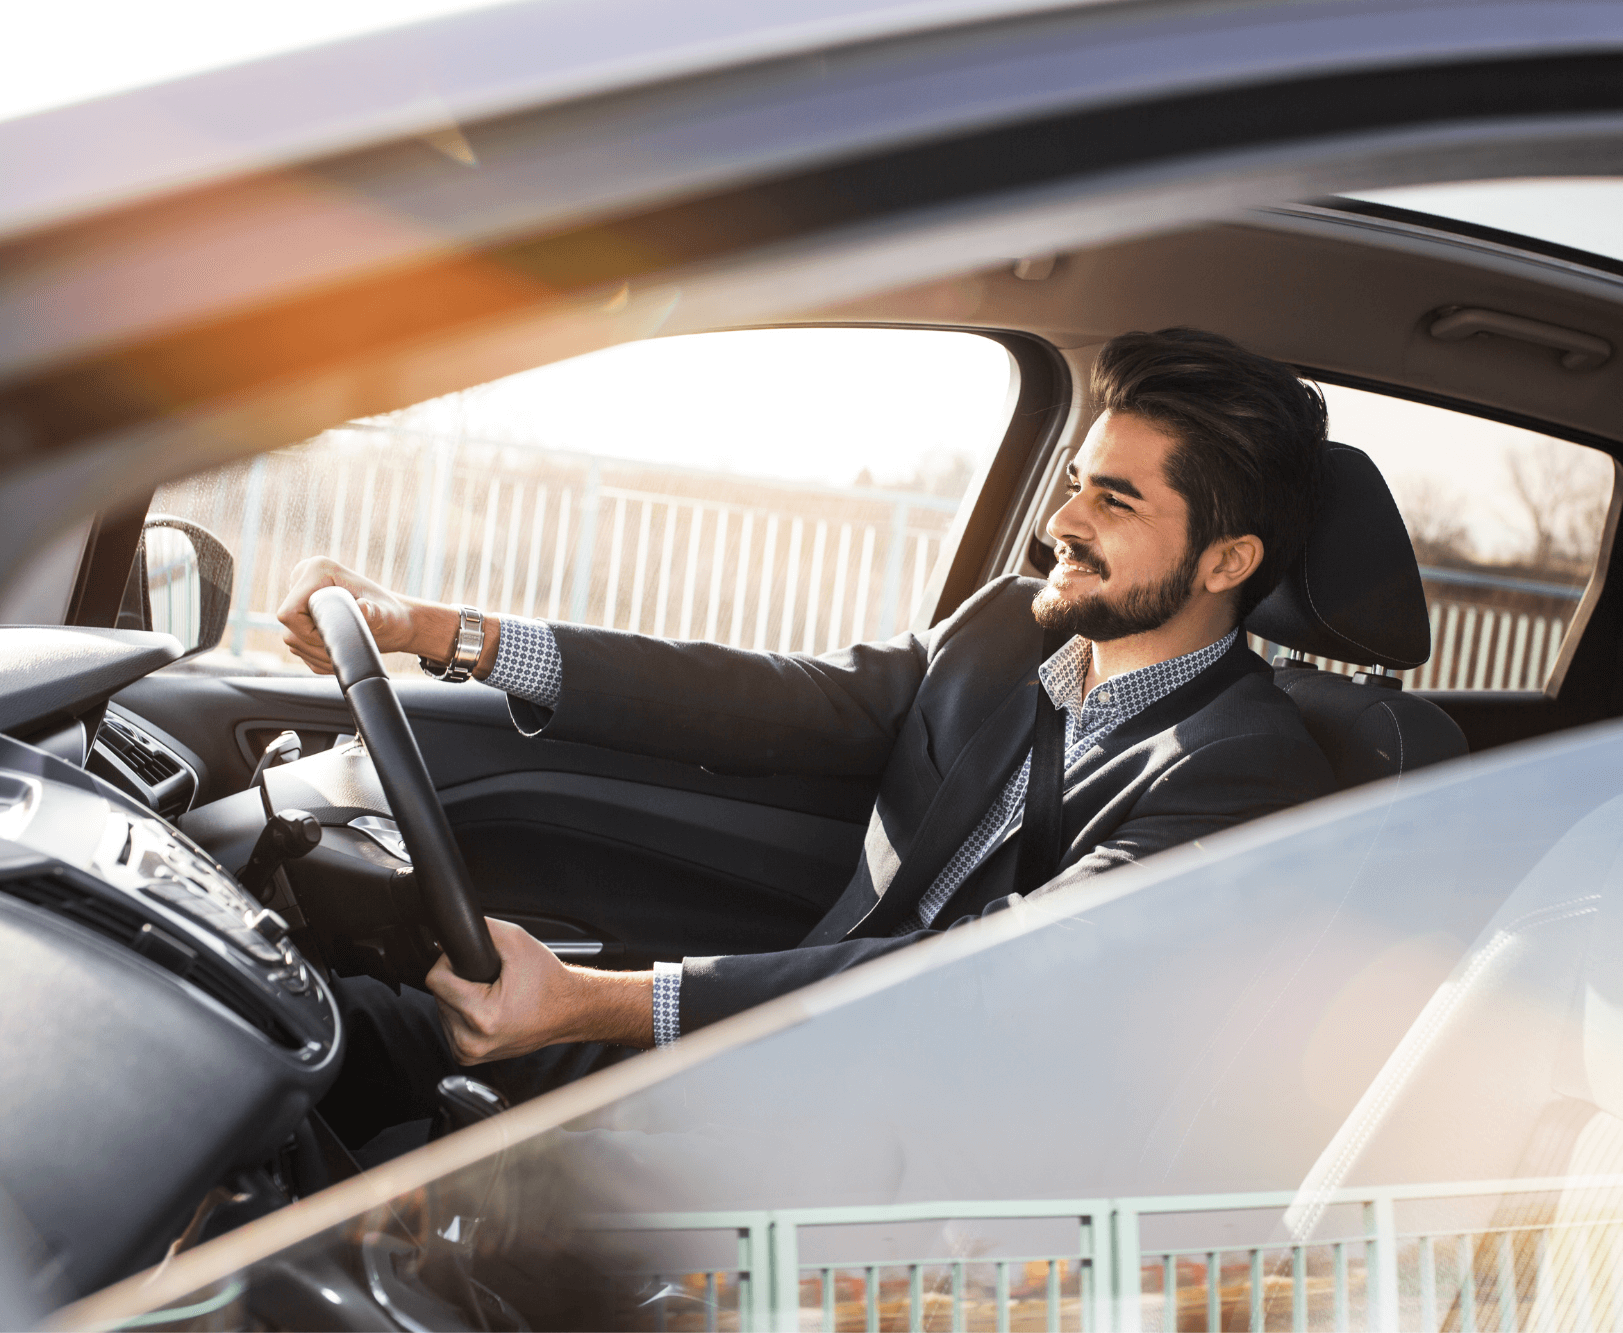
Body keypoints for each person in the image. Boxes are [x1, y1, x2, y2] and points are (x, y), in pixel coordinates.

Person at [280, 327, 1337, 1148]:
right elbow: (764, 699)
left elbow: (991, 974)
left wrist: (591, 1003)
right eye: (1072, 483)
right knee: (321, 1036)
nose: (1063, 520)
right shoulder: (1004, 631)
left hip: (903, 1148)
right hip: (767, 1058)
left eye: (1114, 500)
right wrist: (439, 632)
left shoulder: (1243, 770)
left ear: (1225, 560)